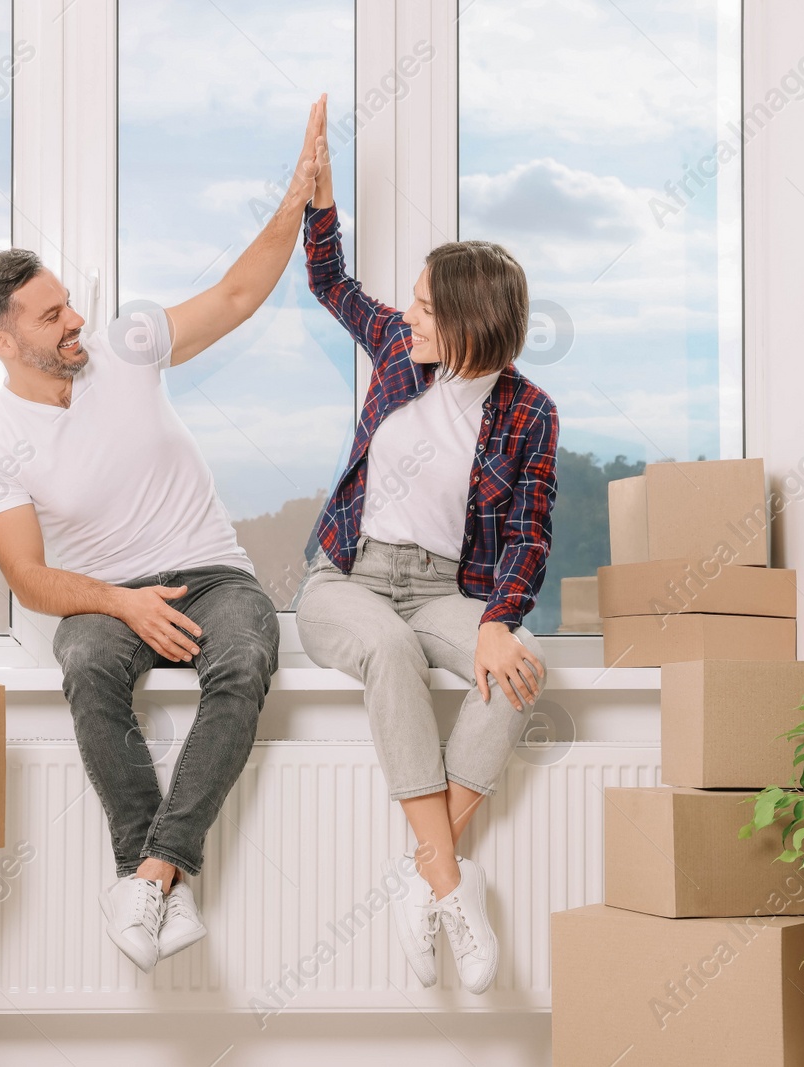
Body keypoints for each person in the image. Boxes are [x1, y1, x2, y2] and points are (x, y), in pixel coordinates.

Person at [0, 100, 327, 974]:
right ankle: (150, 874)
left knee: (244, 657)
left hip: (212, 575)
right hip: (106, 596)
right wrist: (120, 601)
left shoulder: (125, 343)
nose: (74, 320)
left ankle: (152, 874)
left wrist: (297, 199)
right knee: (84, 665)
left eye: (67, 304)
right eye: (51, 318)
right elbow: (29, 576)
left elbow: (238, 293)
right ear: (3, 341)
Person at [293, 99, 559, 995]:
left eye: (422, 305)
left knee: (520, 666)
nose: (403, 313)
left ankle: (423, 878)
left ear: (470, 322)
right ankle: (451, 883)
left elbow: (528, 531)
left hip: (446, 584)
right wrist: (318, 202)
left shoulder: (528, 412)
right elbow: (333, 285)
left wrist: (499, 620)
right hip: (348, 578)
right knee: (391, 649)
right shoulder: (400, 356)